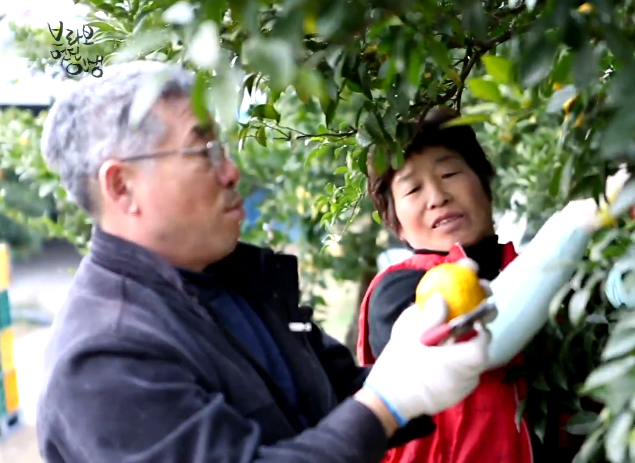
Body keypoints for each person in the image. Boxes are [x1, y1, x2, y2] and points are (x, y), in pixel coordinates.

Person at [35, 61, 496, 463]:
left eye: (225, 148)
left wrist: (428, 360)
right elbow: (372, 405)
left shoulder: (241, 283)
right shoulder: (105, 359)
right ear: (122, 187)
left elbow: (339, 394)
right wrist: (388, 402)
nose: (231, 171)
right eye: (205, 152)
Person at [356, 108, 635, 463]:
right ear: (396, 225)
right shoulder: (399, 291)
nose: (437, 196)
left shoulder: (546, 272)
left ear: (485, 184)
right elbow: (487, 340)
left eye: (450, 172)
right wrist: (576, 222)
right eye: (413, 188)